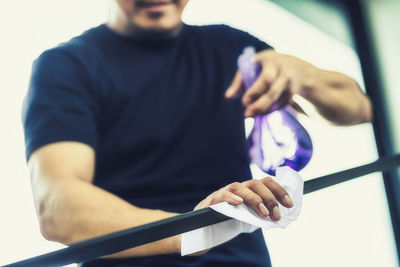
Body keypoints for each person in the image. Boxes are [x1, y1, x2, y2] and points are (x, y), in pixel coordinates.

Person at [22, 0, 372, 266]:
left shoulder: (231, 47)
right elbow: (58, 208)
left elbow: (363, 108)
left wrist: (304, 75)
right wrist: (193, 230)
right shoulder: (66, 67)